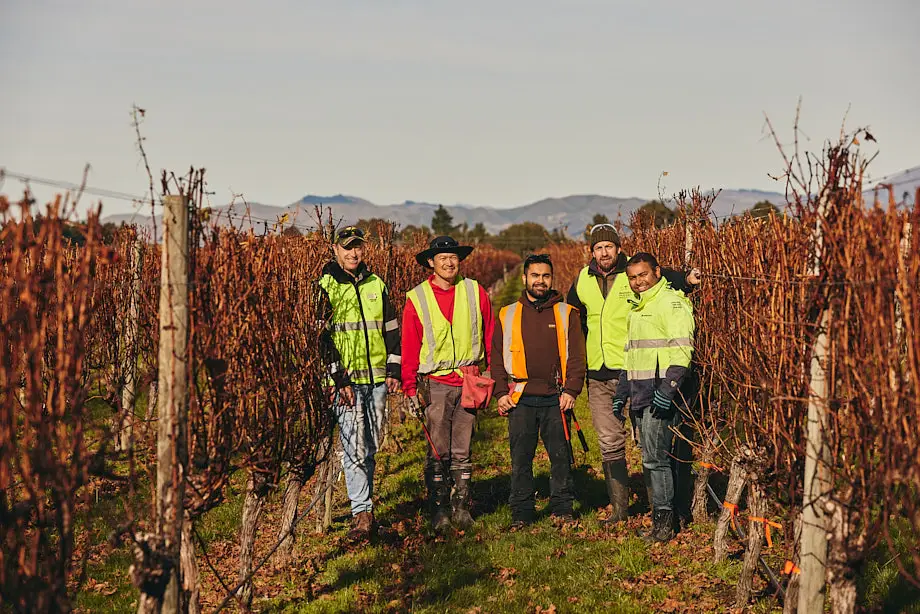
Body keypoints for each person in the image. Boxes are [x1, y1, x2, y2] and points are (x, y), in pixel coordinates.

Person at [565, 223, 699, 523]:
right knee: (609, 440)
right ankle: (621, 509)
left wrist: (687, 279)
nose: (604, 252)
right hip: (599, 370)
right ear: (592, 251)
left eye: (609, 246)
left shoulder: (633, 275)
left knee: (648, 442)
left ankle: (659, 510)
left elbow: (662, 278)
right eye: (598, 247)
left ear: (618, 248)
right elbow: (569, 314)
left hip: (635, 370)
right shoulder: (582, 280)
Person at [401, 236, 494, 531]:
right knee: (437, 448)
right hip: (435, 384)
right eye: (442, 258)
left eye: (453, 256)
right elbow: (409, 345)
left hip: (469, 379)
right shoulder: (417, 298)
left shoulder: (474, 291)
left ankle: (461, 507)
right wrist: (409, 387)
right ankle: (439, 509)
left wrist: (492, 372)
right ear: (431, 262)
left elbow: (489, 331)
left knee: (463, 447)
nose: (449, 262)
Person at [318, 226, 402, 539]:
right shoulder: (325, 286)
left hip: (378, 378)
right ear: (335, 250)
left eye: (358, 247)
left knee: (369, 447)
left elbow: (392, 329)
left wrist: (394, 370)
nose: (353, 253)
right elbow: (321, 338)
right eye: (347, 247)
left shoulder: (376, 283)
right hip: (347, 382)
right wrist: (338, 377)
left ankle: (365, 507)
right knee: (353, 446)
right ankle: (362, 513)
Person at [492, 254, 587, 528]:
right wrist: (501, 392)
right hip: (520, 397)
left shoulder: (566, 313)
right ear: (524, 278)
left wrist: (571, 390)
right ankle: (521, 511)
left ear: (551, 279)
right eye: (535, 275)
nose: (540, 281)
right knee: (520, 458)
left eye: (545, 276)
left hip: (556, 398)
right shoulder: (507, 313)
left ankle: (562, 507)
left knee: (560, 456)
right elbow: (496, 356)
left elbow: (577, 357)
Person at [614, 252, 695, 543]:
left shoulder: (671, 303)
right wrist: (622, 392)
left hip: (658, 396)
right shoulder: (638, 307)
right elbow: (633, 355)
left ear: (657, 272)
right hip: (641, 393)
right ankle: (664, 519)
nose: (638, 282)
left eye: (643, 275)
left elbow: (682, 350)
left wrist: (668, 389)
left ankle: (664, 525)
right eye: (633, 277)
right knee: (650, 457)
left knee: (655, 459)